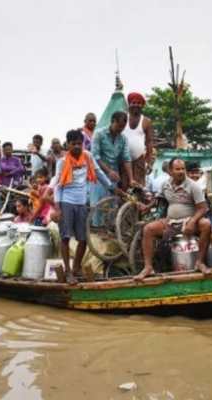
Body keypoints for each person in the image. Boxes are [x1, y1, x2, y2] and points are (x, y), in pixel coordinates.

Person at [134, 158, 212, 281]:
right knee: (148, 229)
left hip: (189, 221)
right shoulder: (165, 185)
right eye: (177, 169)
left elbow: (203, 208)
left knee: (206, 224)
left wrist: (192, 221)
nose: (181, 171)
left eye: (183, 169)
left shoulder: (193, 186)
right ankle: (148, 267)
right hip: (171, 221)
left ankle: (200, 262)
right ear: (170, 171)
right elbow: (157, 199)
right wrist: (147, 207)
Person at [53, 129, 113, 283]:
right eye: (73, 144)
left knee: (83, 239)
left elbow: (99, 173)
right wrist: (58, 208)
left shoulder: (88, 157)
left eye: (80, 144)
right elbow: (58, 186)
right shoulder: (61, 162)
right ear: (68, 145)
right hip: (66, 201)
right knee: (65, 238)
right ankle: (67, 271)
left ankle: (76, 268)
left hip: (81, 203)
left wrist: (112, 187)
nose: (77, 147)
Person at [91, 111, 136, 207]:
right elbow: (95, 157)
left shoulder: (123, 139)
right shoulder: (99, 134)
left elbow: (126, 158)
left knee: (112, 206)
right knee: (98, 205)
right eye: (119, 126)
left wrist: (131, 179)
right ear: (112, 121)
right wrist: (108, 171)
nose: (121, 129)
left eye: (123, 127)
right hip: (99, 175)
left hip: (114, 176)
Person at [123, 92, 155, 186]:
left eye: (139, 103)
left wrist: (148, 162)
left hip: (139, 160)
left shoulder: (146, 121)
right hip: (123, 160)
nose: (136, 105)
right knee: (123, 186)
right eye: (133, 102)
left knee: (138, 187)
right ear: (129, 104)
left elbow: (149, 142)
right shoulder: (123, 118)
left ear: (142, 105)